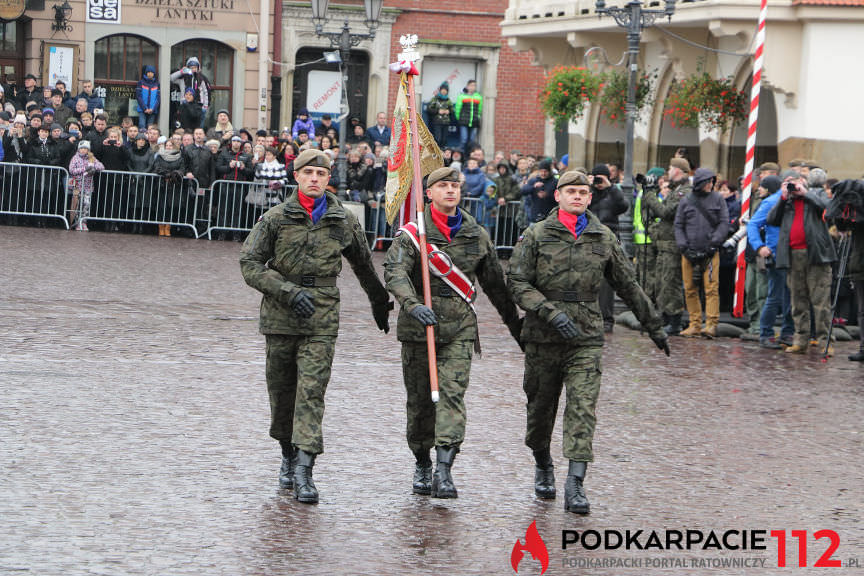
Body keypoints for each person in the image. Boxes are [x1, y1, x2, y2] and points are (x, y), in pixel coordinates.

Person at [508, 170, 668, 514]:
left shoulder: (603, 237)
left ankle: (576, 483)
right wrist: (549, 312)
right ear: (558, 196)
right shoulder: (536, 235)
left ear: (590, 198)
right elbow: (517, 283)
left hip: (586, 337)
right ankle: (543, 464)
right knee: (539, 413)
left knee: (582, 408)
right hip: (543, 337)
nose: (578, 197)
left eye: (583, 192)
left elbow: (628, 284)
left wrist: (654, 327)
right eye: (571, 192)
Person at [240, 148, 392, 503]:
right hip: (280, 314)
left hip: (322, 316)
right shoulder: (276, 218)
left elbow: (364, 265)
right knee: (282, 394)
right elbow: (250, 263)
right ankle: (287, 455)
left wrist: (378, 302)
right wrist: (287, 291)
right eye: (308, 173)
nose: (314, 179)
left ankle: (306, 470)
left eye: (321, 174)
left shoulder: (343, 220)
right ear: (296, 176)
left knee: (311, 392)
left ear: (328, 180)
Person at [384, 166, 521, 499]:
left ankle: (444, 469)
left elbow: (495, 287)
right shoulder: (412, 233)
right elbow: (395, 271)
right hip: (419, 329)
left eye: (454, 186)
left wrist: (518, 329)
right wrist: (411, 303)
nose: (450, 191)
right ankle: (421, 461)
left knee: (452, 396)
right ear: (429, 193)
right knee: (419, 404)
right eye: (442, 186)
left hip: (459, 328)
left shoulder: (475, 234)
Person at [767, 171, 837, 355]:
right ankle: (800, 340)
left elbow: (829, 208)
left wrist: (804, 193)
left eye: (794, 182)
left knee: (820, 302)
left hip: (816, 256)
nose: (792, 186)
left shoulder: (816, 194)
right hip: (793, 255)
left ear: (802, 182)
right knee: (797, 301)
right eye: (787, 183)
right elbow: (772, 219)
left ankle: (825, 342)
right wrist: (783, 198)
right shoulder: (786, 201)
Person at [674, 167, 729, 338]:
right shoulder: (686, 200)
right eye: (708, 182)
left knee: (711, 288)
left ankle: (711, 324)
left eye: (712, 182)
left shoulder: (718, 199)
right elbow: (679, 225)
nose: (711, 185)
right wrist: (683, 246)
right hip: (688, 251)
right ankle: (695, 324)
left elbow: (723, 223)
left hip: (710, 253)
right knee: (690, 288)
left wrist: (714, 243)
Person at [746, 176, 794, 349]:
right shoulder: (771, 202)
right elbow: (752, 225)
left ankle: (787, 333)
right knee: (775, 295)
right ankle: (766, 333)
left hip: (795, 254)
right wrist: (759, 247)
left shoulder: (798, 200)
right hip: (777, 254)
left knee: (792, 296)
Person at [642, 158, 690, 334]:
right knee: (661, 284)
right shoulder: (675, 190)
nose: (668, 172)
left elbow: (665, 212)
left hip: (673, 244)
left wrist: (650, 196)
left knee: (671, 283)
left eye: (670, 168)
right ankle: (665, 317)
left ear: (678, 170)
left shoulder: (684, 192)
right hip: (664, 244)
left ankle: (675, 321)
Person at [587, 163, 629, 332]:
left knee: (606, 282)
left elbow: (624, 206)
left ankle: (606, 319)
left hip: (608, 240)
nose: (598, 182)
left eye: (601, 179)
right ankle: (589, 317)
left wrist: (610, 187)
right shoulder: (588, 193)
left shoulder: (613, 193)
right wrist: (588, 186)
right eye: (596, 178)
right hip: (588, 240)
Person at [68, 140, 104, 231]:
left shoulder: (91, 158)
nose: (83, 150)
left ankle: (83, 222)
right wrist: (84, 169)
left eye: (85, 148)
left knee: (86, 204)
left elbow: (101, 166)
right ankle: (77, 222)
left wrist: (93, 168)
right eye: (82, 148)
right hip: (77, 186)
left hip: (88, 186)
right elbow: (72, 170)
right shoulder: (75, 158)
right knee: (77, 204)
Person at [170, 58, 211, 128]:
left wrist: (205, 106)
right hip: (185, 105)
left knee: (198, 127)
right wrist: (181, 72)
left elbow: (206, 92)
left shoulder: (202, 79)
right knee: (185, 125)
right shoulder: (183, 79)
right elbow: (171, 78)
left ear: (198, 68)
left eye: (195, 67)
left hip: (198, 106)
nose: (193, 69)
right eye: (191, 68)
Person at [520, 158, 557, 223]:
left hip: (549, 217)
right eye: (541, 171)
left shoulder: (554, 182)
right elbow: (523, 191)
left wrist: (547, 195)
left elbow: (559, 198)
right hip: (535, 217)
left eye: (545, 171)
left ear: (549, 171)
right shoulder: (534, 180)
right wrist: (533, 187)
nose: (543, 173)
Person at [455, 80, 482, 152]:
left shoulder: (478, 97)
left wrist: (477, 117)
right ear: (467, 86)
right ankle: (461, 154)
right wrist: (459, 119)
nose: (473, 87)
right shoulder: (462, 96)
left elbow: (479, 110)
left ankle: (470, 155)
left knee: (472, 141)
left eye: (474, 85)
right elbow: (457, 109)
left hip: (474, 122)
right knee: (464, 139)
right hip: (464, 121)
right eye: (471, 85)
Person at [136, 66, 160, 131]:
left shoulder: (157, 84)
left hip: (152, 110)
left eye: (152, 72)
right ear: (146, 73)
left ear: (154, 74)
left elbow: (158, 98)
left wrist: (153, 109)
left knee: (150, 128)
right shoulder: (141, 83)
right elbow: (138, 96)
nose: (150, 74)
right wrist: (145, 108)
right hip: (142, 109)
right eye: (148, 72)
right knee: (142, 126)